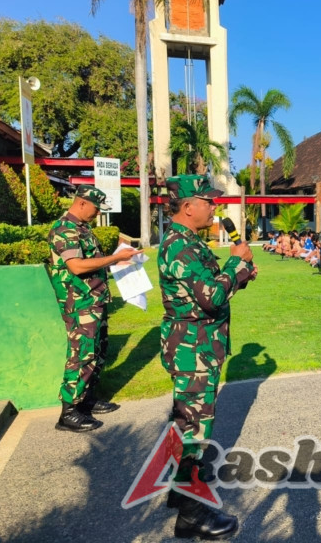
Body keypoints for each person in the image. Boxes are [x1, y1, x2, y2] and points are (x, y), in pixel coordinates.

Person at [158, 175, 256, 539]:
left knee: (186, 423)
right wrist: (235, 265)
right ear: (188, 207)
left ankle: (180, 487)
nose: (215, 208)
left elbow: (209, 286)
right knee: (195, 430)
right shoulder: (180, 246)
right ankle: (191, 515)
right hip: (192, 349)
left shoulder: (187, 242)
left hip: (197, 345)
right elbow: (212, 296)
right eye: (209, 202)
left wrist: (241, 272)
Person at [48, 185, 142, 432]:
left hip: (93, 300)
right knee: (81, 355)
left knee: (97, 352)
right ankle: (68, 412)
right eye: (96, 207)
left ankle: (86, 399)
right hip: (78, 303)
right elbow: (77, 266)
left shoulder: (82, 229)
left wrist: (119, 260)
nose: (97, 212)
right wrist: (115, 258)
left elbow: (91, 261)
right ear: (81, 203)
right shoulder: (64, 229)